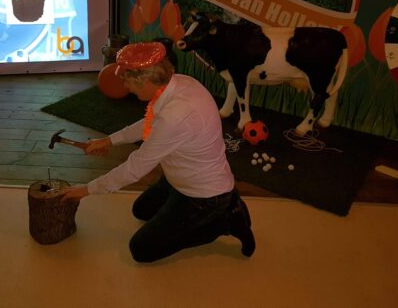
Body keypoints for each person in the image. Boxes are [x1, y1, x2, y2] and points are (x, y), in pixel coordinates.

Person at [61, 41, 255, 263]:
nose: (126, 88)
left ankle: (226, 220)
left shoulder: (177, 115)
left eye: (127, 82)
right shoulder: (177, 84)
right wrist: (109, 140)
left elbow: (135, 168)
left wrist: (86, 190)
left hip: (205, 195)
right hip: (179, 179)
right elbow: (151, 122)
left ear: (144, 81)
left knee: (141, 250)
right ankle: (192, 208)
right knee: (141, 210)